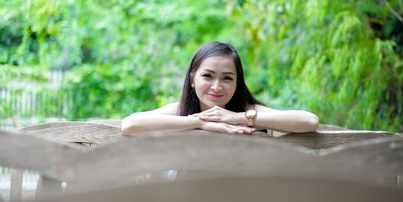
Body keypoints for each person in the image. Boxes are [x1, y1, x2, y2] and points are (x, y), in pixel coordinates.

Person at [121, 41, 319, 136]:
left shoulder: (247, 111)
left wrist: (236, 118)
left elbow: (309, 121)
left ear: (237, 82)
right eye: (207, 76)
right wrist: (199, 123)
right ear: (192, 79)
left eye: (227, 78)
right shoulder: (181, 111)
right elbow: (130, 124)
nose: (216, 86)